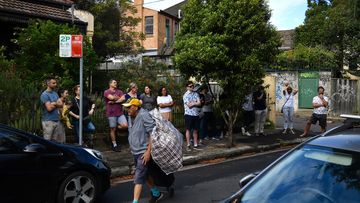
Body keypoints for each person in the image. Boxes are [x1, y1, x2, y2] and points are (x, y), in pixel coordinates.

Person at [122, 98, 163, 203]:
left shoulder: (144, 115)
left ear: (136, 107)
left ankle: (135, 201)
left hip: (143, 152)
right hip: (135, 151)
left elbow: (152, 133)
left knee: (138, 177)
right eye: (126, 107)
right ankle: (156, 193)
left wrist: (148, 151)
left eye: (129, 107)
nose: (127, 109)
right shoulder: (131, 116)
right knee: (146, 174)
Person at [104, 79, 127, 152]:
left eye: (116, 82)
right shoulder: (106, 92)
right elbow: (111, 97)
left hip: (120, 113)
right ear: (110, 84)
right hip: (111, 113)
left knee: (125, 125)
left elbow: (123, 99)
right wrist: (118, 99)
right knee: (112, 129)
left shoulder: (119, 91)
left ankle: (114, 126)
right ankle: (114, 145)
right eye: (114, 82)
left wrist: (114, 102)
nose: (116, 83)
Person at [40, 76, 64, 142]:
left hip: (57, 120)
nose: (55, 84)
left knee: (56, 142)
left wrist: (54, 103)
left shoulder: (55, 93)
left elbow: (61, 105)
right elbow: (49, 108)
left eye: (55, 83)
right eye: (53, 83)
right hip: (48, 121)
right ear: (48, 83)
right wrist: (56, 104)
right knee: (47, 141)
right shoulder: (44, 95)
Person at [183, 81, 202, 151]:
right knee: (188, 129)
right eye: (190, 86)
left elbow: (200, 104)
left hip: (196, 114)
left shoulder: (196, 94)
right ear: (187, 87)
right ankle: (188, 145)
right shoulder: (185, 95)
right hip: (188, 114)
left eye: (192, 86)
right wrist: (195, 102)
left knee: (195, 130)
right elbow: (189, 105)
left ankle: (195, 144)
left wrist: (193, 103)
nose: (192, 87)